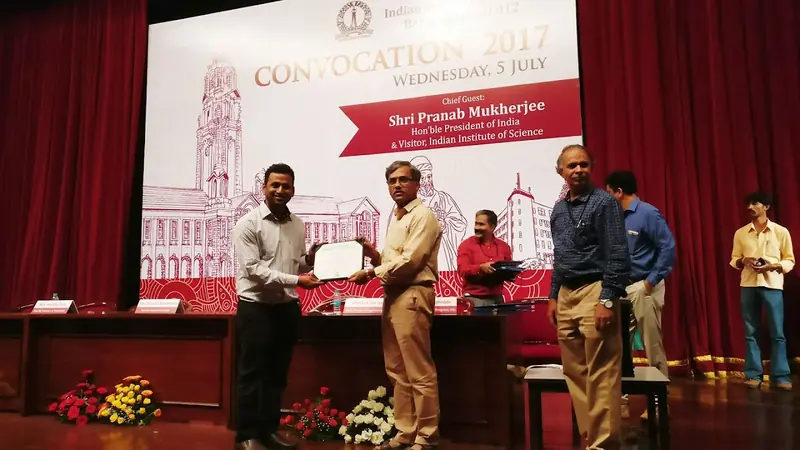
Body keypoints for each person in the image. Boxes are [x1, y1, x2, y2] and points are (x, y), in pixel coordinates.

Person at [348, 160, 443, 450]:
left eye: (403, 180)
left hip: (413, 294)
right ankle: (405, 432)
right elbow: (392, 263)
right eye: (392, 181)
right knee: (397, 371)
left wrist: (370, 272)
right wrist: (373, 255)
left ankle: (427, 437)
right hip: (393, 296)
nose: (397, 185)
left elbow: (411, 262)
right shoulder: (397, 217)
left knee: (418, 370)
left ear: (417, 184)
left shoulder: (423, 215)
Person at [232, 163, 324, 450]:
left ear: (293, 190)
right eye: (275, 185)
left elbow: (296, 262)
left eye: (286, 186)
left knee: (277, 374)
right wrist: (298, 279)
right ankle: (246, 436)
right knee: (251, 374)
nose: (280, 190)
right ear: (264, 187)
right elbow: (253, 270)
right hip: (256, 307)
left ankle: (268, 431)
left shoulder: (298, 224)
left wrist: (310, 259)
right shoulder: (248, 223)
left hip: (286, 308)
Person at [546, 144, 631, 450]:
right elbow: (560, 256)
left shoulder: (604, 203)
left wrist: (607, 299)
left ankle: (604, 444)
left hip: (596, 289)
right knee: (575, 372)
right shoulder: (558, 210)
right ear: (561, 172)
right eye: (572, 166)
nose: (578, 169)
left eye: (583, 164)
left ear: (591, 167)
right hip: (567, 293)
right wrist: (553, 296)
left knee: (603, 372)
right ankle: (591, 436)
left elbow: (618, 254)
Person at [604, 170, 676, 421]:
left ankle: (658, 403)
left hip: (644, 287)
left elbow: (667, 247)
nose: (607, 196)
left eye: (609, 191)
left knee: (652, 344)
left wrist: (650, 281)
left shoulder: (647, 213)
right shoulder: (613, 218)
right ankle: (620, 401)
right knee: (618, 347)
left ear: (618, 192)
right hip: (621, 289)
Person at [730, 192, 795, 391]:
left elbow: (789, 260)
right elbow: (734, 259)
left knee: (777, 332)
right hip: (748, 284)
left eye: (755, 203)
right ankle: (753, 374)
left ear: (766, 206)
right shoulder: (741, 233)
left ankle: (781, 376)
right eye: (748, 204)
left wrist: (773, 266)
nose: (750, 207)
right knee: (751, 332)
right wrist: (744, 261)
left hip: (772, 285)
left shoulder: (780, 231)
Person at [456, 209, 513, 306]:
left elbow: (508, 270)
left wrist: (512, 273)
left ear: (492, 227)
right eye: (476, 224)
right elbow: (463, 270)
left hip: (497, 300)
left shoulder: (504, 247)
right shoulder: (466, 245)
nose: (476, 227)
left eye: (481, 224)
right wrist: (481, 268)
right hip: (474, 300)